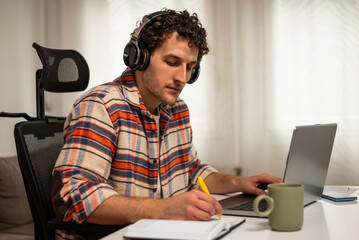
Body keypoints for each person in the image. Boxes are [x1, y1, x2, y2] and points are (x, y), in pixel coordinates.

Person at [52, 8, 281, 239]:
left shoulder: (177, 109)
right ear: (140, 56)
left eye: (190, 68)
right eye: (172, 62)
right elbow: (73, 195)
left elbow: (191, 171)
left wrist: (239, 182)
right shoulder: (101, 105)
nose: (183, 78)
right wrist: (166, 209)